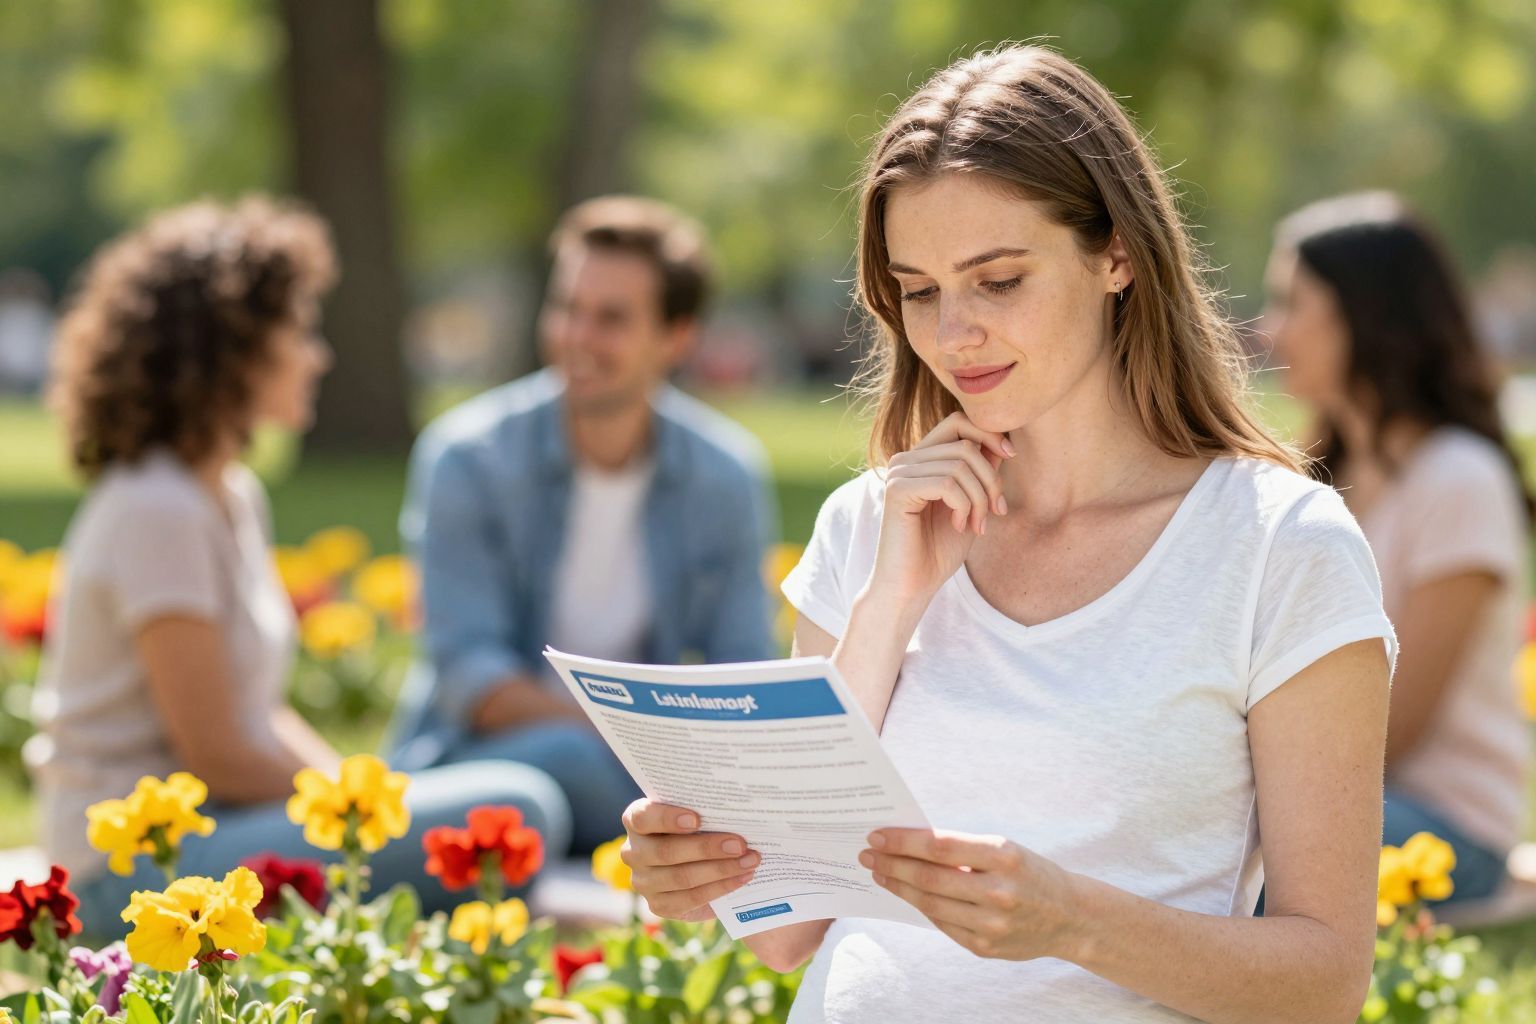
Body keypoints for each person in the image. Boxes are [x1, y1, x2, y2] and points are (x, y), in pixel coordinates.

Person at [616, 44, 1399, 1023]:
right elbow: (781, 932)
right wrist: (888, 604)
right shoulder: (870, 524)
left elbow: (1325, 982)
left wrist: (1071, 920)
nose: (953, 335)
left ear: (1116, 252)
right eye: (920, 289)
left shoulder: (1281, 548)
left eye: (997, 279)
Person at [27, 197, 571, 937]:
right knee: (517, 809)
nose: (318, 355)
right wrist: (363, 814)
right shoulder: (157, 509)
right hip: (124, 884)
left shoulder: (224, 492)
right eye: (300, 329)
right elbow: (216, 753)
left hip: (216, 836)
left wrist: (361, 793)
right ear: (233, 349)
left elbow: (256, 717)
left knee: (516, 791)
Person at [386, 195, 777, 855]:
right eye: (567, 308)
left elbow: (742, 669)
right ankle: (678, 843)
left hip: (646, 767)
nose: (577, 337)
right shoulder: (468, 457)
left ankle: (665, 841)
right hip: (483, 763)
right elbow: (470, 675)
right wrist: (641, 745)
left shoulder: (724, 477)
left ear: (676, 337)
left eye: (611, 318)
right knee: (560, 765)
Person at [1259, 192, 1531, 911]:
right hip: (1325, 796)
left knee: (1211, 873)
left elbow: (1393, 728)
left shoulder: (1460, 480)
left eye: (1291, 302)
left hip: (1439, 829)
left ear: (1363, 314)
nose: (1270, 329)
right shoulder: (1307, 480)